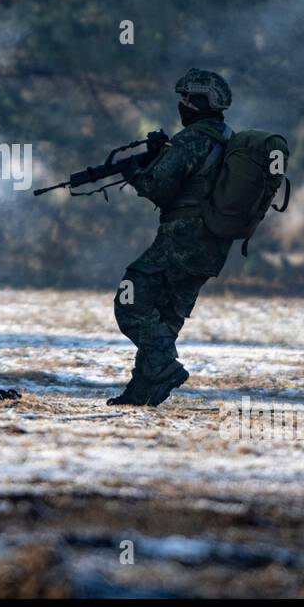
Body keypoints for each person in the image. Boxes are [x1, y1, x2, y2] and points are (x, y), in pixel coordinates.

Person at [109, 68, 235, 406]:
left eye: (186, 98)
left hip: (181, 242)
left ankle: (166, 367)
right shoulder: (228, 139)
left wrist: (134, 172)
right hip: (212, 247)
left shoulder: (192, 139)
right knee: (165, 315)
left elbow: (158, 188)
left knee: (130, 299)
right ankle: (143, 391)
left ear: (200, 101)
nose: (182, 105)